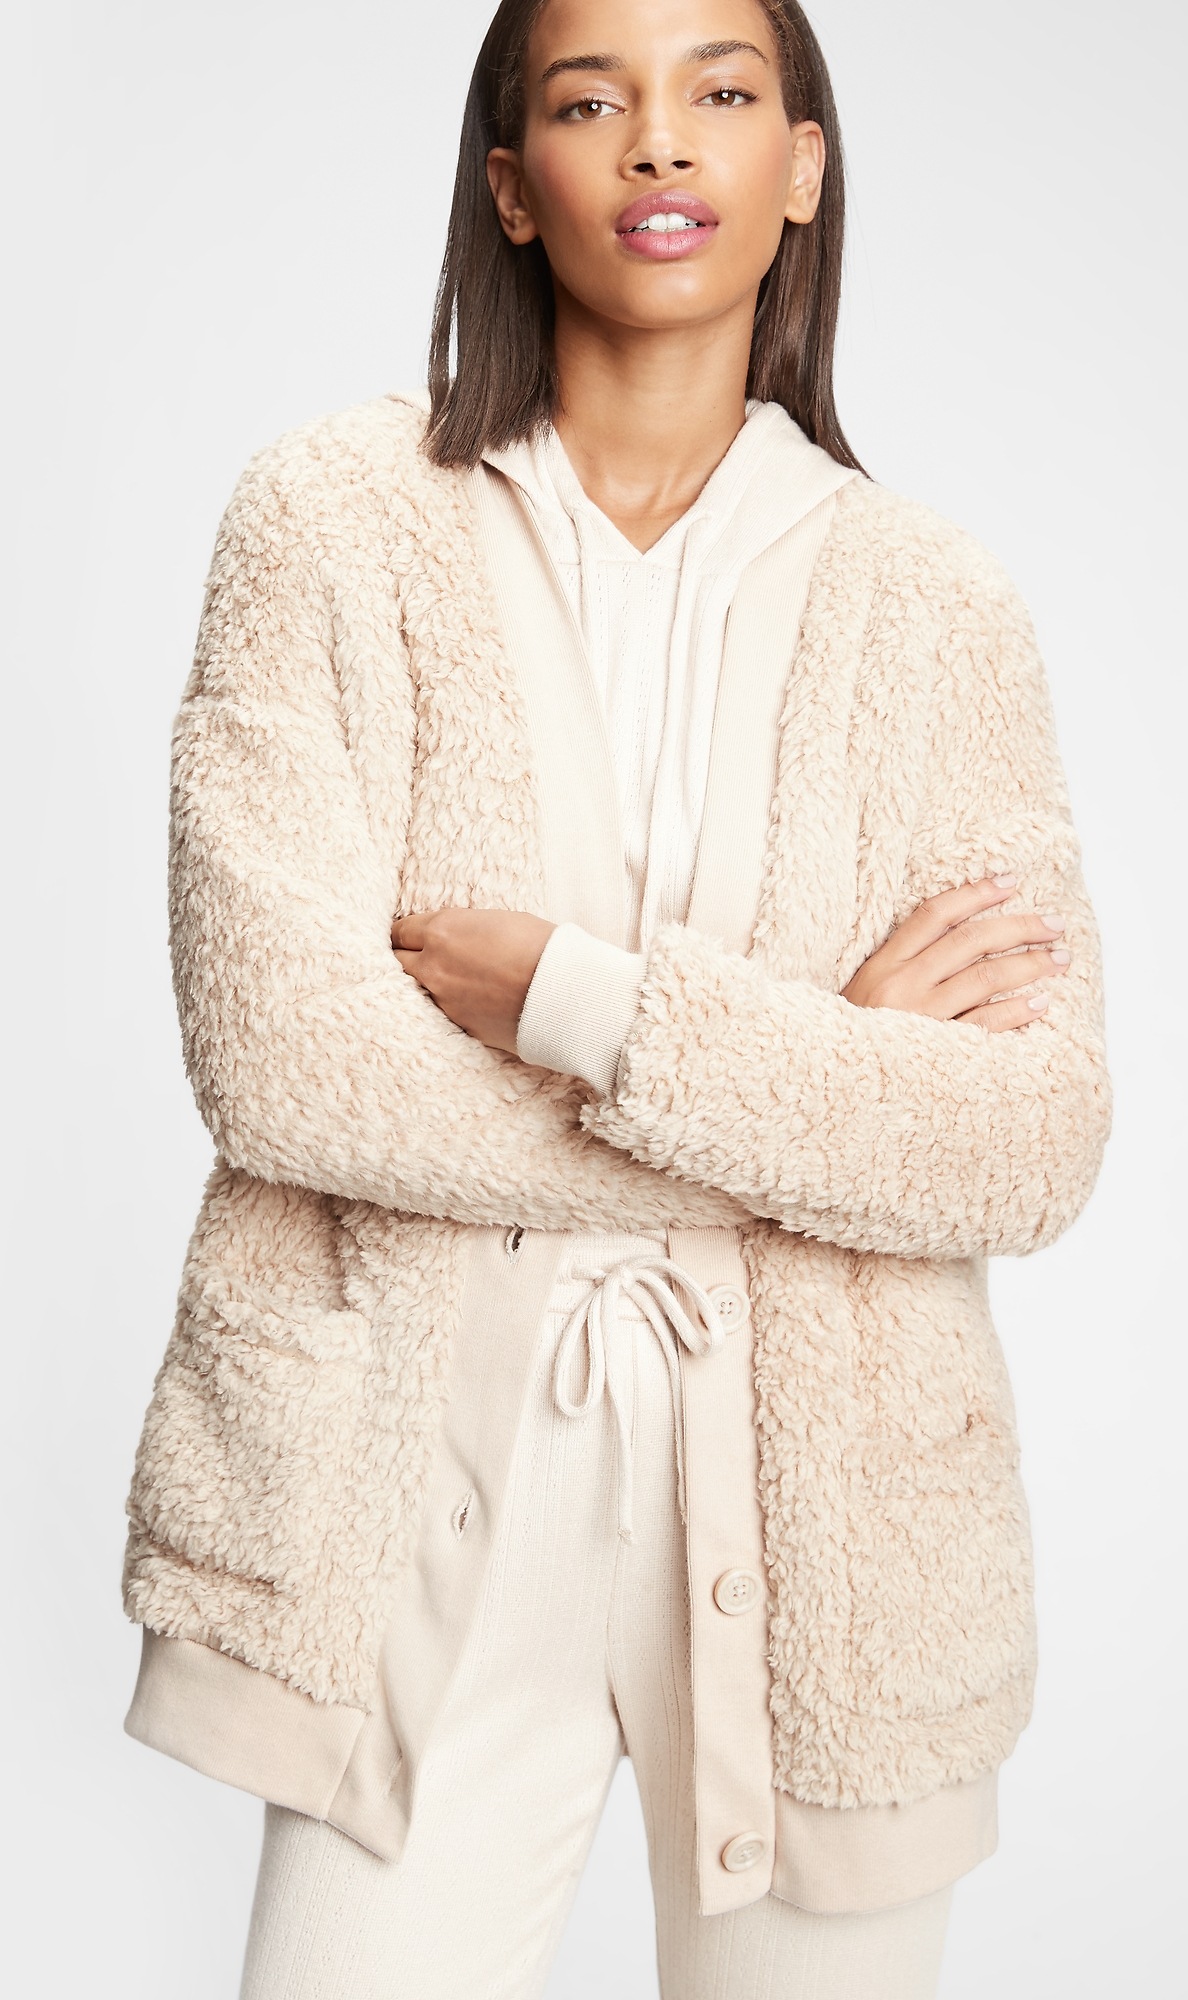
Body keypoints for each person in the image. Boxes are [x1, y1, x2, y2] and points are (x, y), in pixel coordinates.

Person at [119, 0, 1111, 1993]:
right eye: (593, 101)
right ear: (513, 185)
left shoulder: (937, 612)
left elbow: (1029, 1138)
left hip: (838, 1547)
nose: (661, 143)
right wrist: (821, 1091)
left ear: (801, 166)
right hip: (410, 1506)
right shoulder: (332, 528)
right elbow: (287, 1064)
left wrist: (589, 1003)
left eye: (722, 93)